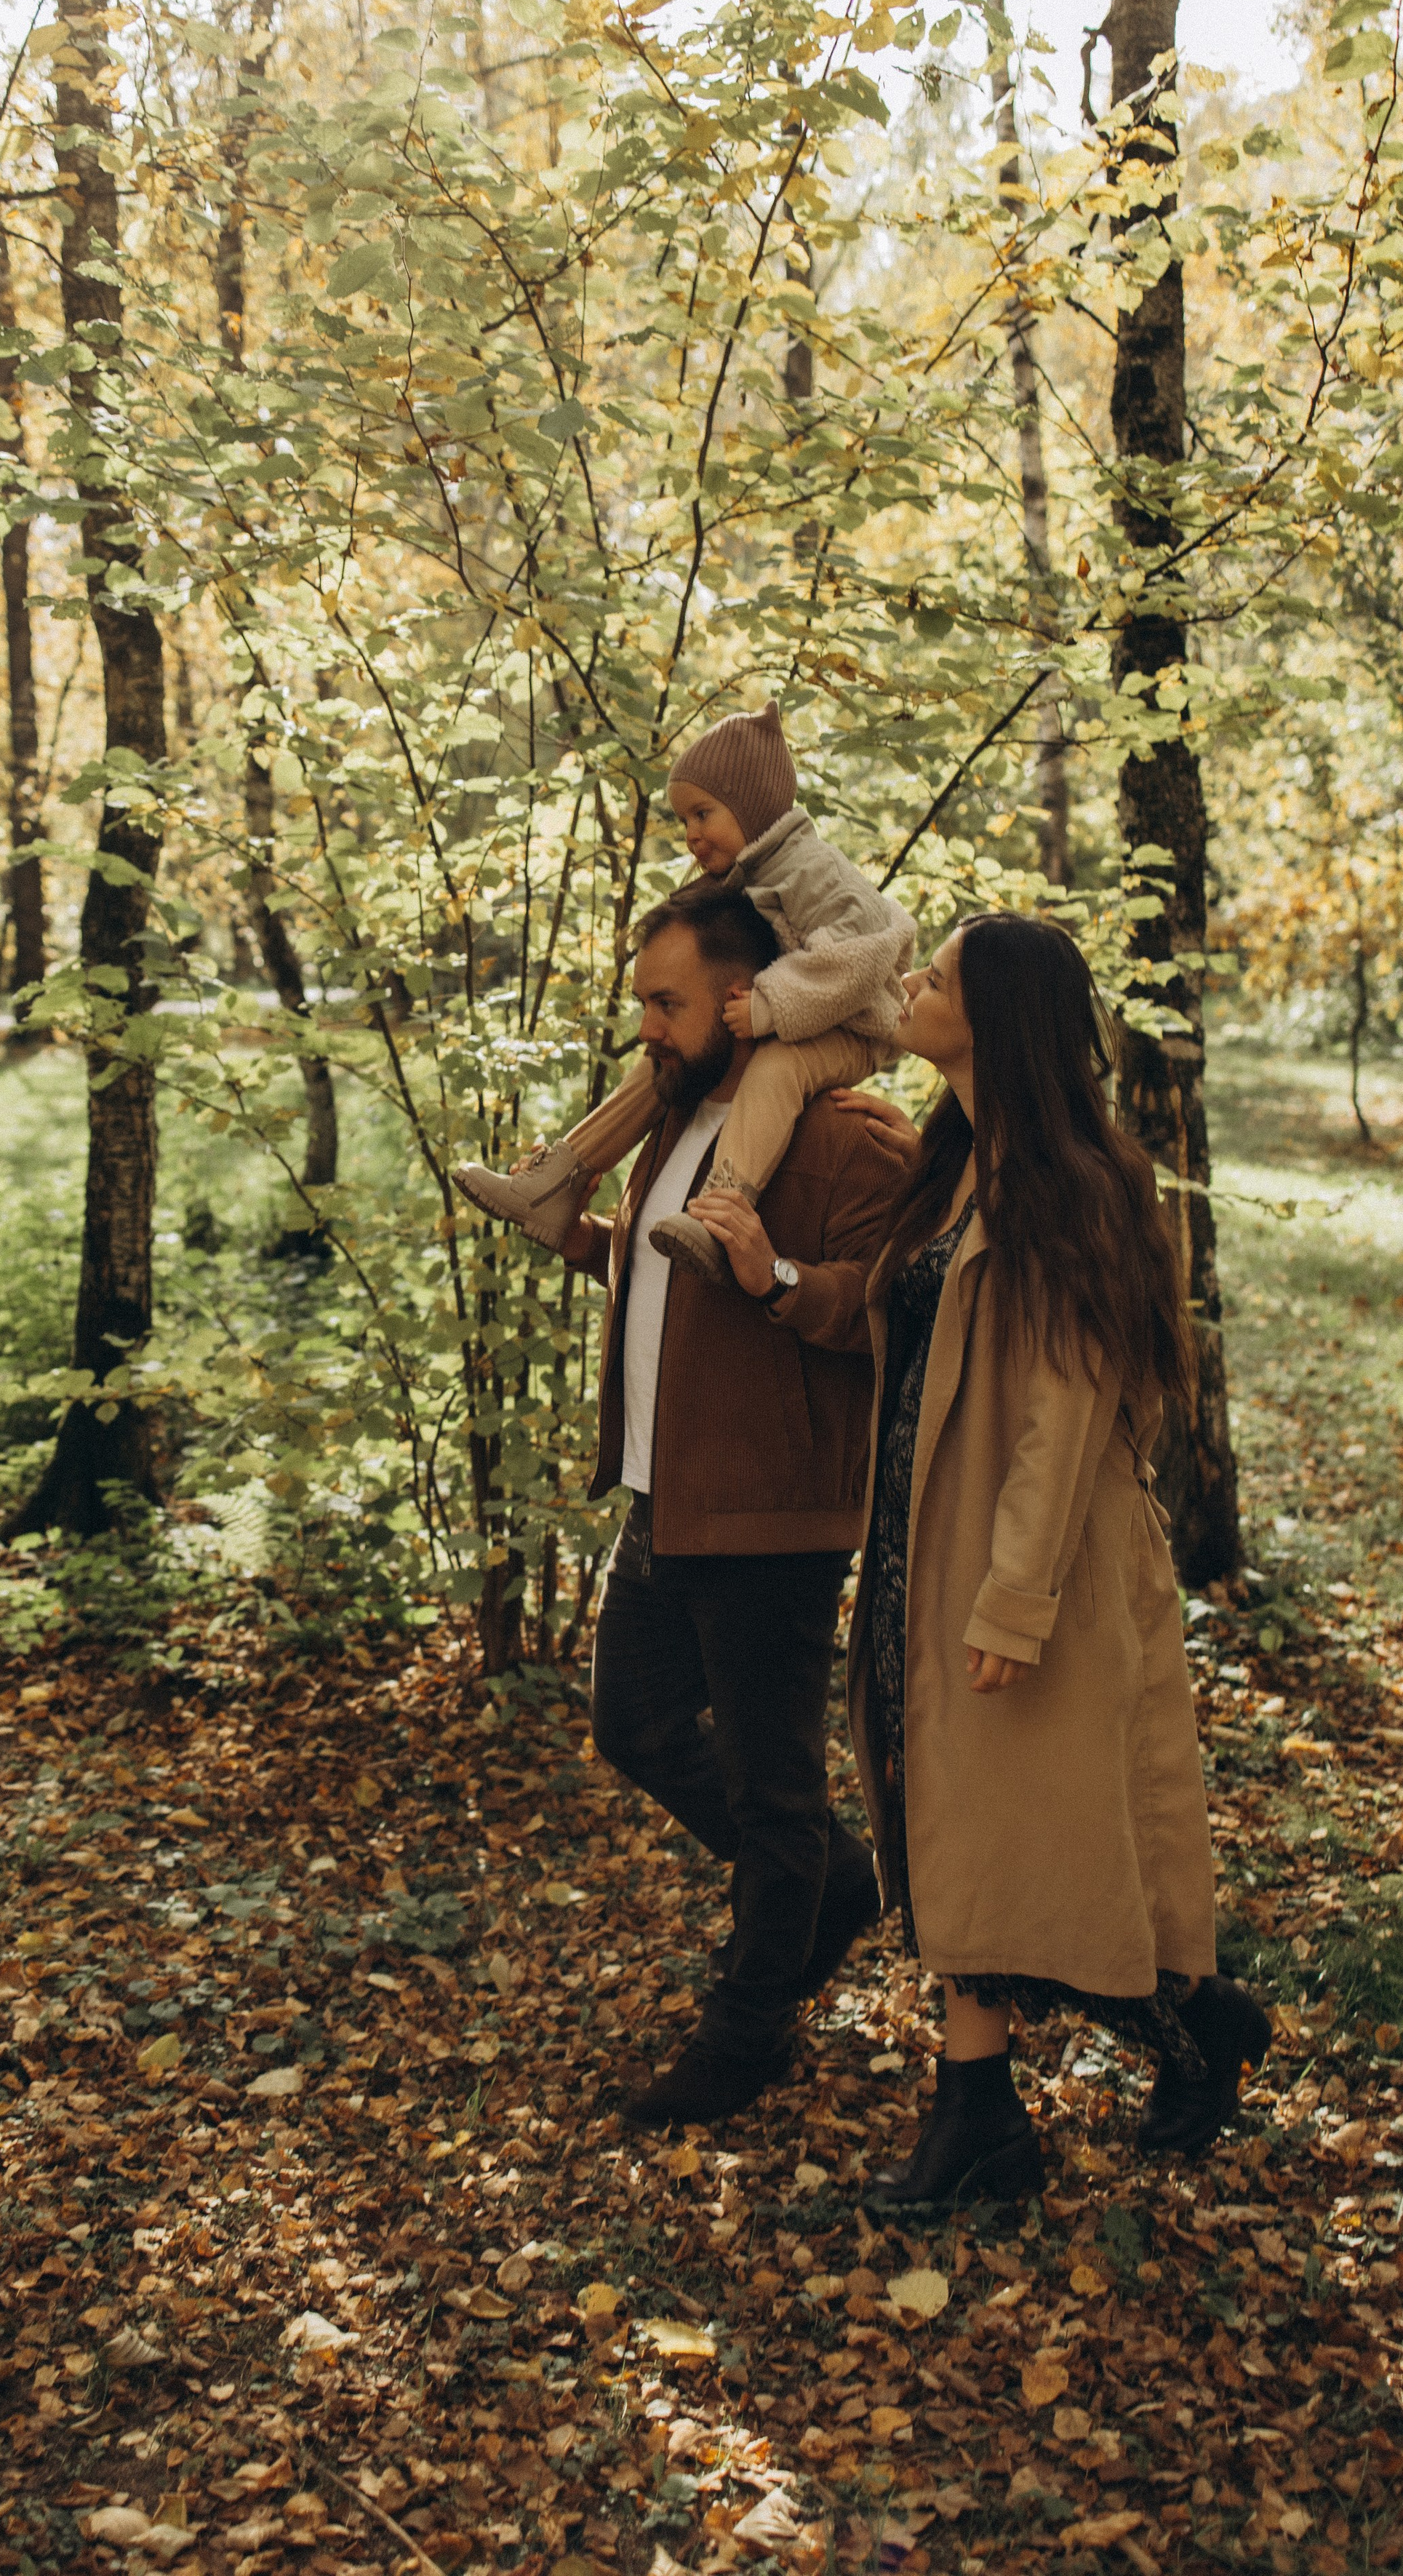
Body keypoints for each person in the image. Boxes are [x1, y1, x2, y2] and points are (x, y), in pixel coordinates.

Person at [836, 914, 1271, 2209]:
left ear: (1000, 1016)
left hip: (1039, 1565)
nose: (910, 984)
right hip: (928, 1543)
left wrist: (1014, 1601)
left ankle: (1174, 2041)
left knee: (1047, 1846)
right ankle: (988, 2121)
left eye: (939, 974)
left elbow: (1067, 1413)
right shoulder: (954, 1166)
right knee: (963, 1833)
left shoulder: (1070, 1183)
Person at [562, 882, 908, 2127]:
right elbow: (672, 1281)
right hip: (666, 1496)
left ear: (743, 997)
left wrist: (783, 1279)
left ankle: (747, 2032)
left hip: (772, 1521)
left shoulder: (850, 1135)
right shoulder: (680, 1117)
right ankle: (833, 1890)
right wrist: (595, 1243)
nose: (647, 1025)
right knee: (635, 1727)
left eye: (666, 1001)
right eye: (643, 1001)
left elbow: (895, 1318)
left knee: (774, 1796)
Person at [452, 703, 915, 1288]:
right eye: (685, 819)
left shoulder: (815, 870)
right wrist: (586, 1241)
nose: (693, 834)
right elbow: (650, 1282)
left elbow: (862, 952)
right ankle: (555, 1183)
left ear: (753, 809)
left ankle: (724, 1211)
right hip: (790, 1009)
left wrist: (770, 1001)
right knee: (657, 1065)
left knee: (775, 1070)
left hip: (852, 1021)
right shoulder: (683, 1103)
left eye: (704, 814)